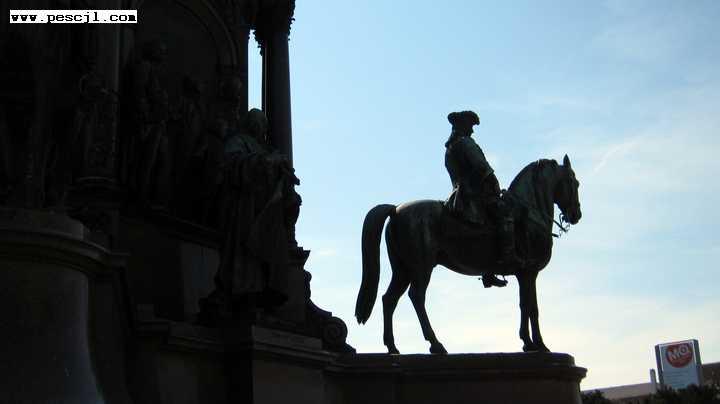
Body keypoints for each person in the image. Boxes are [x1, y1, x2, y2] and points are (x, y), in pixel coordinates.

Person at [444, 111, 523, 287]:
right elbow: (481, 167)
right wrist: (493, 184)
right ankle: (507, 257)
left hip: (459, 195)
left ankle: (489, 270)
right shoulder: (465, 143)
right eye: (470, 126)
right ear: (462, 126)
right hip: (474, 196)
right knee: (505, 213)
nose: (472, 131)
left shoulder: (450, 148)